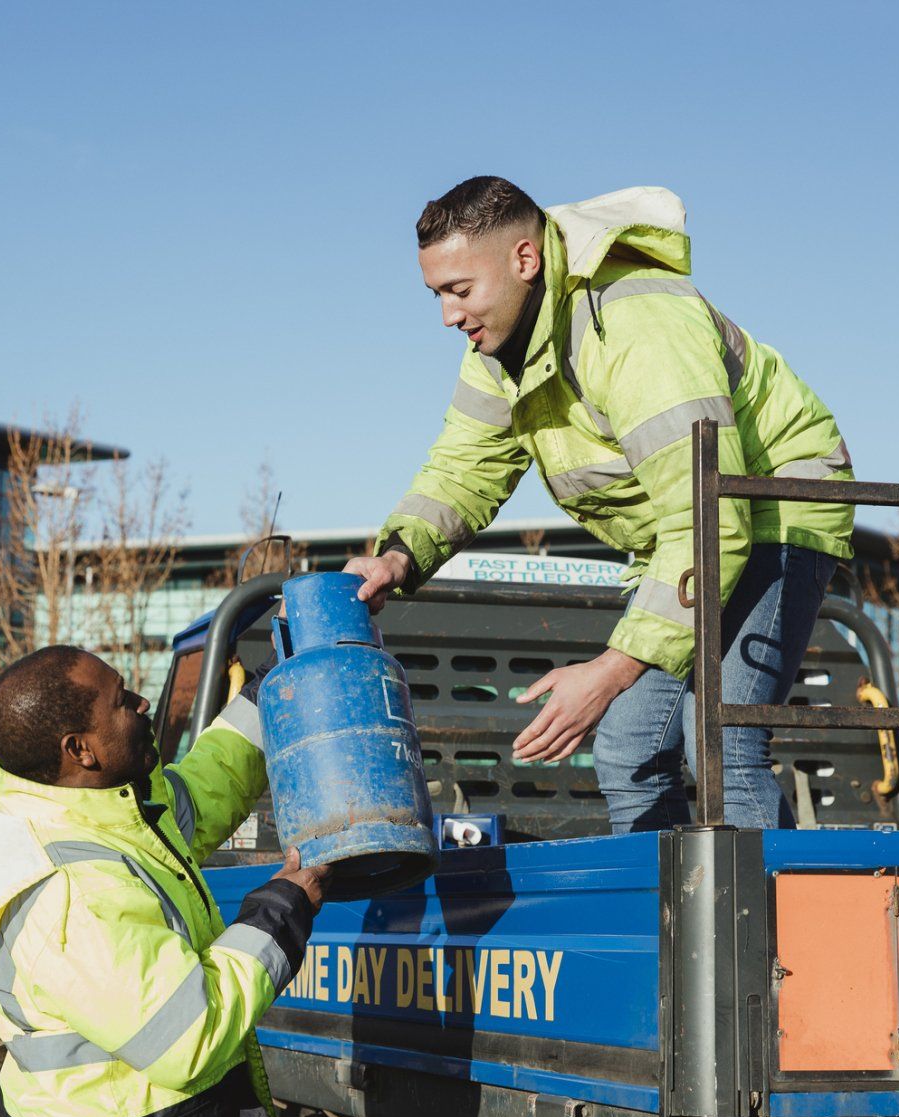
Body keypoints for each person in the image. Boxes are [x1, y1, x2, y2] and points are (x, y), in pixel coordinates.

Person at [345, 177, 856, 832]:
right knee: (628, 751)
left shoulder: (636, 327)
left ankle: (762, 934)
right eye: (436, 294)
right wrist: (397, 556)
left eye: (459, 290)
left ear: (524, 260)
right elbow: (463, 468)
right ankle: (671, 926)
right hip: (693, 529)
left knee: (721, 742)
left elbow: (711, 522)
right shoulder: (500, 350)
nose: (448, 315)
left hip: (777, 504)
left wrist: (611, 671)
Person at [0, 645, 329, 1117]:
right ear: (80, 749)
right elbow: (188, 1032)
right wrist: (284, 907)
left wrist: (267, 695)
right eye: (122, 701)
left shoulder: (102, 809)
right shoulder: (68, 891)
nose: (143, 703)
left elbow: (203, 787)